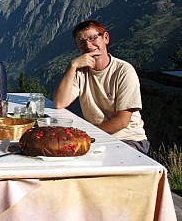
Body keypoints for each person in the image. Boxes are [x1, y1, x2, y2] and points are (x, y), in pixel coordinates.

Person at [53, 19, 150, 154]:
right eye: (81, 42)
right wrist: (72, 66)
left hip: (128, 139)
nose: (88, 45)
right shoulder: (80, 72)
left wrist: (87, 135)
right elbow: (59, 103)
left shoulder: (123, 71)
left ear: (105, 38)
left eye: (93, 38)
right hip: (96, 139)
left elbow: (122, 121)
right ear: (78, 47)